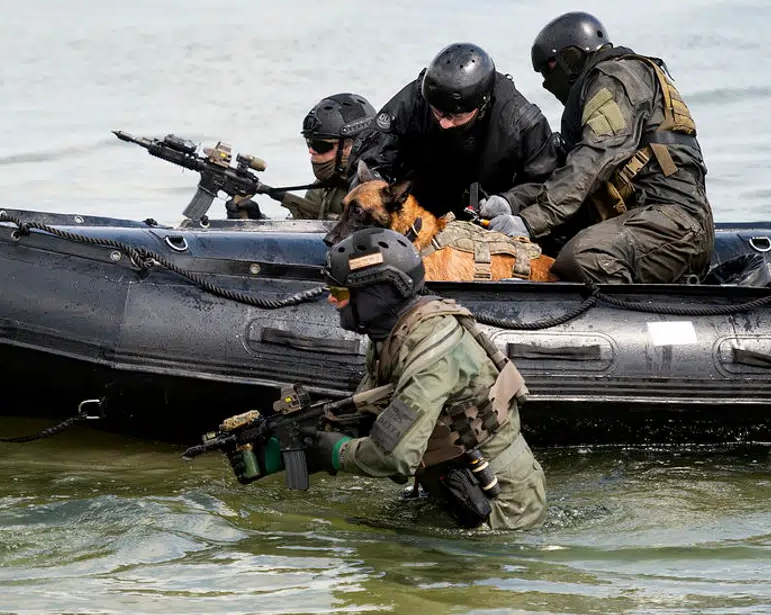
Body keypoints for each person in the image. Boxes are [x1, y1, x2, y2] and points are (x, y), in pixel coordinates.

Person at [234, 227, 547, 530]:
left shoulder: (432, 352)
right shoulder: (393, 336)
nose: (332, 300)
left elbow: (394, 455)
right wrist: (298, 444)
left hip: (501, 509)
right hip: (452, 489)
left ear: (375, 294)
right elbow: (375, 413)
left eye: (339, 292)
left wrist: (335, 453)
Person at [478, 12, 713, 284]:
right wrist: (511, 203)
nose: (545, 82)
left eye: (548, 69)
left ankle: (630, 318)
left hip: (675, 224)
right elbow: (565, 174)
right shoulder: (600, 95)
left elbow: (592, 161)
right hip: (644, 220)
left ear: (570, 58)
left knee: (584, 256)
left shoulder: (615, 79)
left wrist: (530, 222)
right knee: (556, 242)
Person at [354, 43, 558, 217]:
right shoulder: (414, 100)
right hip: (416, 208)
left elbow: (546, 181)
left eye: (455, 116)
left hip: (489, 215)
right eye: (437, 112)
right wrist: (378, 192)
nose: (444, 123)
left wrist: (509, 202)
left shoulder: (523, 122)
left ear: (482, 106)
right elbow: (372, 156)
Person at [226, 92, 376, 220]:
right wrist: (256, 221)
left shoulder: (379, 194)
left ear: (353, 146)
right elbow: (304, 232)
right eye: (309, 144)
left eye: (321, 146)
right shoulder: (322, 188)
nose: (311, 151)